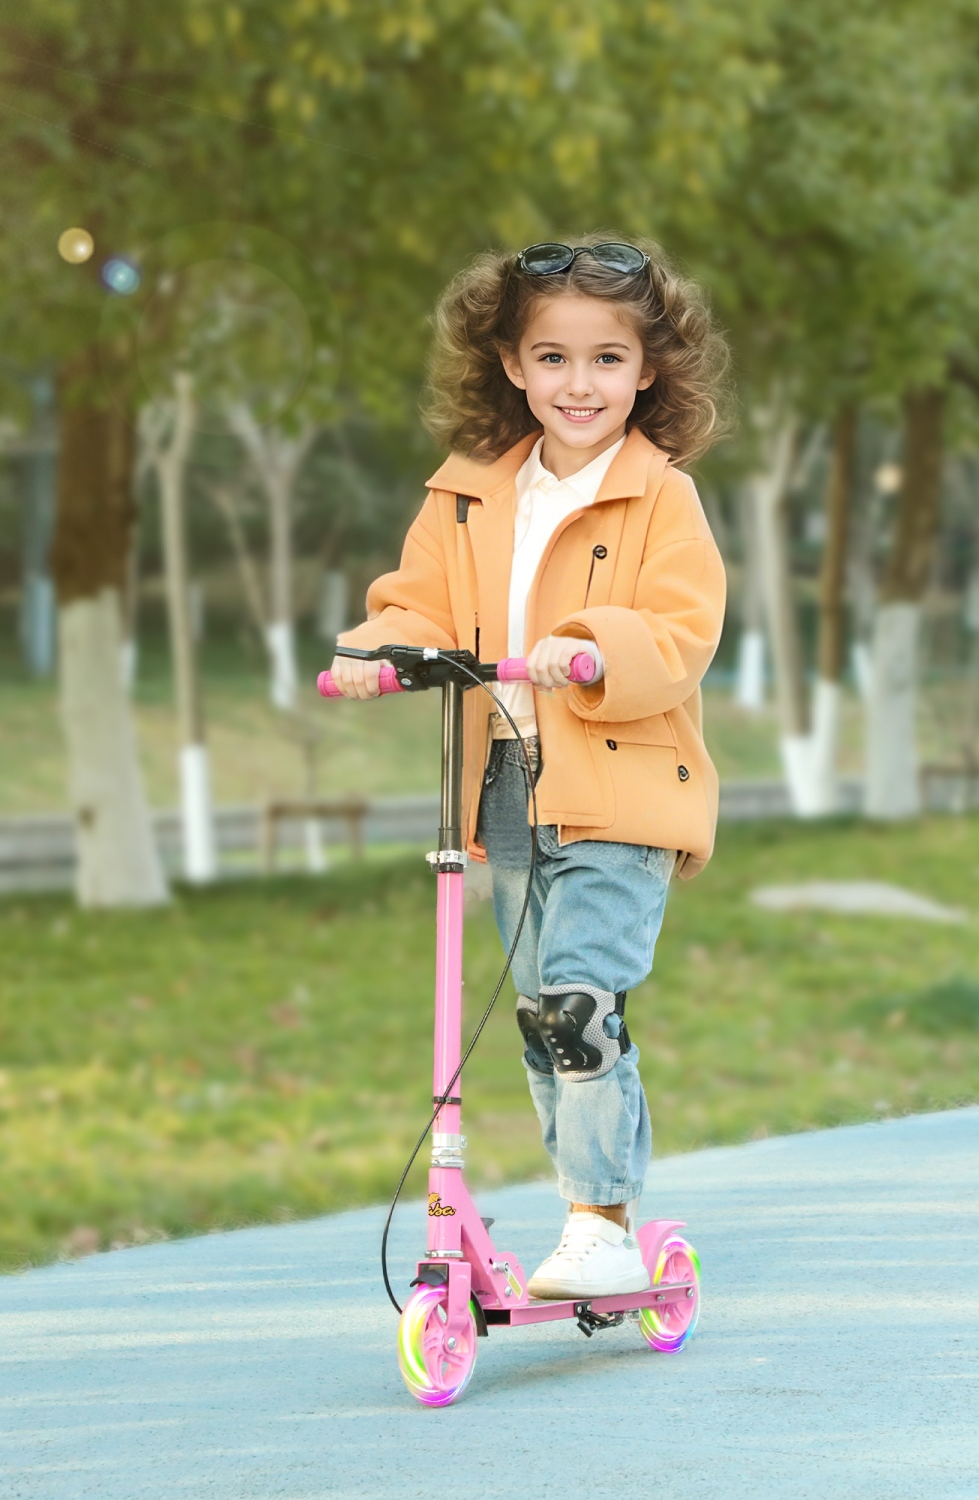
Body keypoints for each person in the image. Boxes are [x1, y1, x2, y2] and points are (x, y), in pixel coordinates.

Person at [330, 236, 729, 1298]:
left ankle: (601, 1219)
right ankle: (583, 1206)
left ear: (648, 369)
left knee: (578, 1002)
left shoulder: (661, 499)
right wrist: (376, 651)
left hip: (620, 785)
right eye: (552, 358)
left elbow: (683, 627)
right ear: (510, 364)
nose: (579, 383)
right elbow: (415, 599)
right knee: (537, 1017)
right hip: (506, 780)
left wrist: (595, 642)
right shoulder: (467, 494)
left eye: (607, 359)